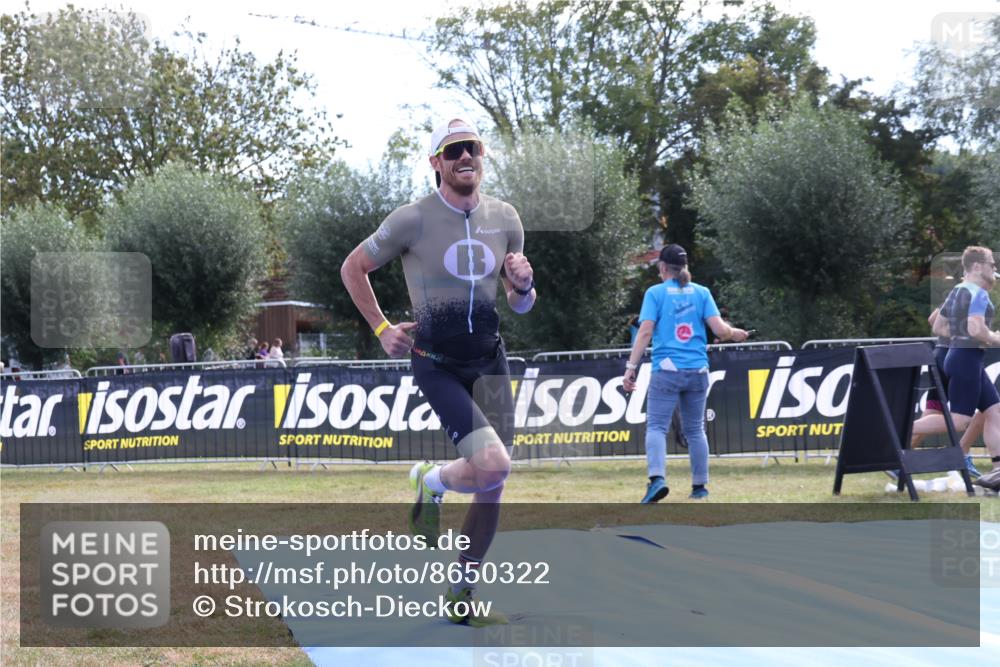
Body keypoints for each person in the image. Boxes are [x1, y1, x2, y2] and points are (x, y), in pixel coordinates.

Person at [340, 118, 533, 626]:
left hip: (490, 360)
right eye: (453, 151)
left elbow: (521, 305)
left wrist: (524, 286)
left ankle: (462, 588)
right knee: (494, 465)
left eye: (472, 148)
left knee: (493, 484)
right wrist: (381, 328)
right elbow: (352, 267)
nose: (465, 157)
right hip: (437, 364)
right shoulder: (412, 220)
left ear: (481, 156)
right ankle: (433, 481)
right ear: (436, 164)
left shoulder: (506, 218)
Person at [623, 244, 748, 502]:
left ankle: (657, 480)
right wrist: (735, 334)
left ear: (662, 267)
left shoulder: (655, 293)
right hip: (698, 370)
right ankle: (699, 488)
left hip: (667, 370)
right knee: (695, 431)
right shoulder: (702, 293)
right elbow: (721, 331)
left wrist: (631, 368)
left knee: (656, 427)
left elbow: (645, 332)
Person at [912, 246, 1000, 490]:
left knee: (994, 410)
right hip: (966, 358)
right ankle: (896, 429)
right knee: (960, 421)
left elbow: (938, 326)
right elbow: (975, 329)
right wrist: (994, 337)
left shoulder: (957, 290)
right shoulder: (979, 293)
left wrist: (966, 336)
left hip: (957, 354)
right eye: (992, 264)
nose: (994, 269)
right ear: (978, 267)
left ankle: (997, 469)